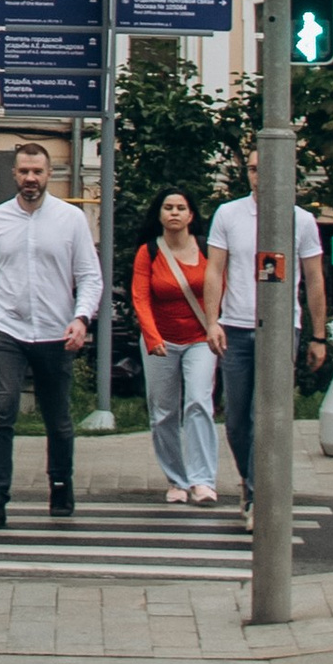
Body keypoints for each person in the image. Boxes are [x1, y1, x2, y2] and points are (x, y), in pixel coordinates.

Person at [0, 138, 103, 528]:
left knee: (58, 417)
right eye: (24, 172)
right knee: (1, 411)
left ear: (50, 174)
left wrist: (81, 317)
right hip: (9, 330)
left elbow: (89, 276)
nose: (30, 178)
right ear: (15, 175)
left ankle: (60, 484)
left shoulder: (70, 220)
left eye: (37, 172)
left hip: (56, 332)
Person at [202, 148, 330, 509]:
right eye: (254, 170)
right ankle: (248, 479)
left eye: (266, 169)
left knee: (265, 416)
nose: (259, 176)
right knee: (236, 419)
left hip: (279, 328)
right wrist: (212, 321)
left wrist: (317, 336)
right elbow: (214, 270)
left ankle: (259, 497)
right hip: (236, 326)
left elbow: (314, 279)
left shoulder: (300, 220)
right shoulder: (228, 214)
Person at [131, 187, 220, 504]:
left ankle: (203, 481)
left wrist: (216, 326)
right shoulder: (149, 252)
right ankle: (177, 481)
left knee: (198, 402)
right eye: (168, 207)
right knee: (164, 413)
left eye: (181, 208)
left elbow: (220, 287)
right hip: (161, 342)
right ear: (159, 214)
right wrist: (152, 337)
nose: (174, 213)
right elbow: (140, 297)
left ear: (191, 215)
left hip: (200, 340)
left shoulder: (207, 248)